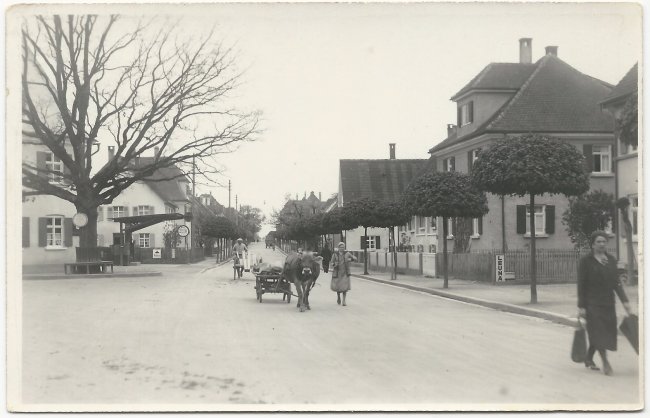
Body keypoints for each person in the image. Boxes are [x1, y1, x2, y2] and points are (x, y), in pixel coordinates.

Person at [578, 230, 632, 376]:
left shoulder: (611, 260)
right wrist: (581, 306)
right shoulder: (586, 261)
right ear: (593, 244)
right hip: (592, 303)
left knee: (606, 332)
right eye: (598, 242)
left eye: (604, 242)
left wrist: (625, 302)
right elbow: (581, 285)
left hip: (608, 303)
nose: (602, 244)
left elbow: (616, 283)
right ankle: (605, 363)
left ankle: (589, 357)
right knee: (598, 331)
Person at [330, 242, 357, 306]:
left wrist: (350, 259)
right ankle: (338, 296)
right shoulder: (335, 254)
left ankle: (344, 301)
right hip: (337, 272)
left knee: (345, 287)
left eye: (343, 247)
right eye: (341, 247)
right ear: (338, 248)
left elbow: (355, 258)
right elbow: (331, 263)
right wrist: (334, 264)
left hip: (345, 272)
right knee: (338, 287)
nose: (342, 248)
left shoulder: (347, 253)